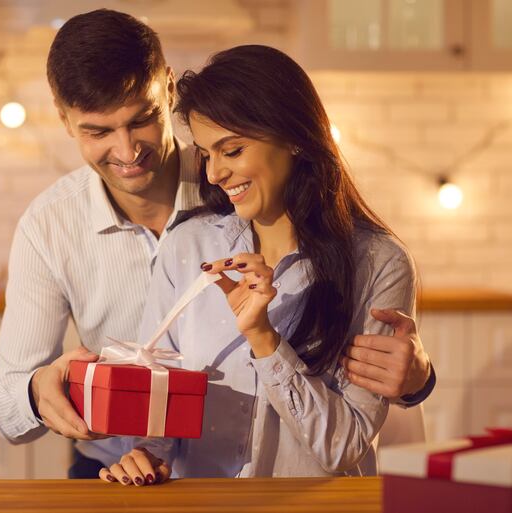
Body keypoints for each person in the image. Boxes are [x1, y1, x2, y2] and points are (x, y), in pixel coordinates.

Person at [0, 10, 435, 480]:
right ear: (64, 120)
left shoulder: (243, 197)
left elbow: (349, 427)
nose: (126, 150)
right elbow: (7, 404)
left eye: (141, 120)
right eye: (98, 132)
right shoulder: (54, 225)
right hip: (126, 465)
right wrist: (41, 392)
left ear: (168, 87)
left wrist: (418, 380)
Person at [99, 44, 424, 485]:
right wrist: (145, 453)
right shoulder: (188, 245)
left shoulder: (378, 264)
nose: (214, 175)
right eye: (207, 155)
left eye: (232, 151)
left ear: (292, 137)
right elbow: (161, 390)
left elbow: (342, 447)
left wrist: (264, 338)